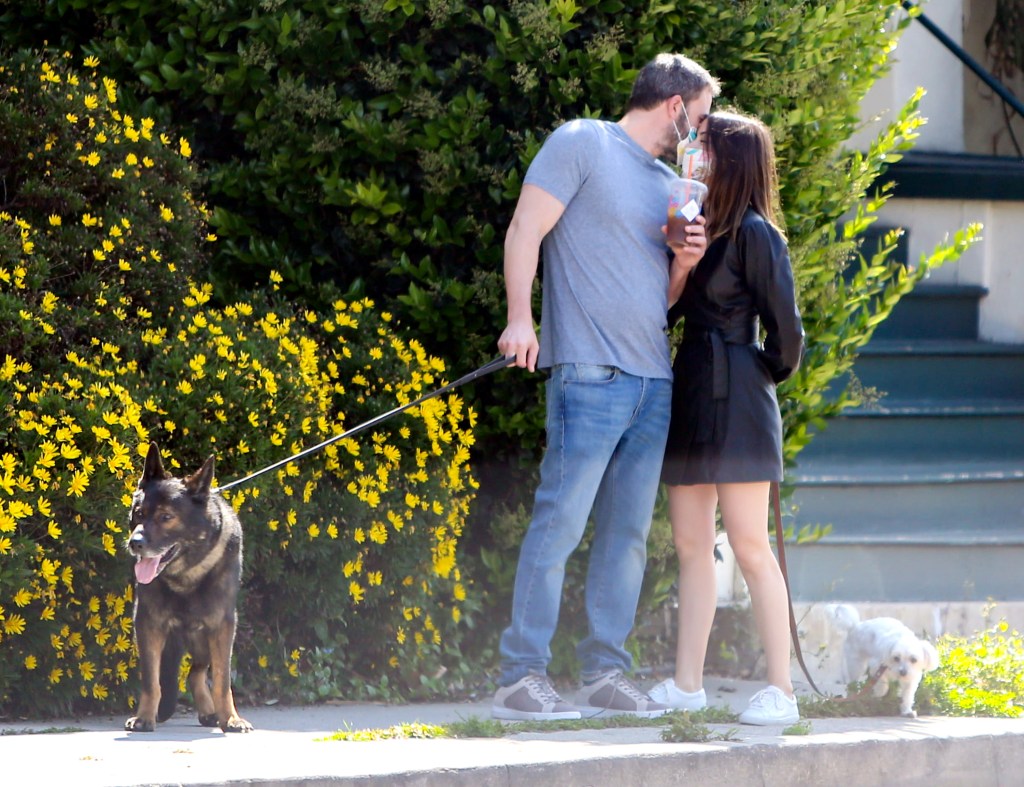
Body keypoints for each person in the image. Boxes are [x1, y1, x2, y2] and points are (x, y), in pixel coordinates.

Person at [492, 54, 720, 722]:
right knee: (559, 523)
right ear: (675, 105)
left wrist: (684, 262)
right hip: (589, 373)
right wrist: (519, 317)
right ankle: (520, 674)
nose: (702, 135)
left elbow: (664, 298)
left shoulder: (669, 184)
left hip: (654, 381)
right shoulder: (582, 141)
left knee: (625, 537)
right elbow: (525, 228)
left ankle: (602, 672)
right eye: (700, 118)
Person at [647, 111, 805, 725]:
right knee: (690, 544)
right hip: (692, 386)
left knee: (749, 545)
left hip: (738, 392)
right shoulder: (692, 227)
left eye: (705, 146)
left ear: (729, 159)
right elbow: (662, 309)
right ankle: (687, 684)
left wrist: (756, 373)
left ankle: (781, 691)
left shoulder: (758, 234)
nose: (695, 155)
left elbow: (787, 334)